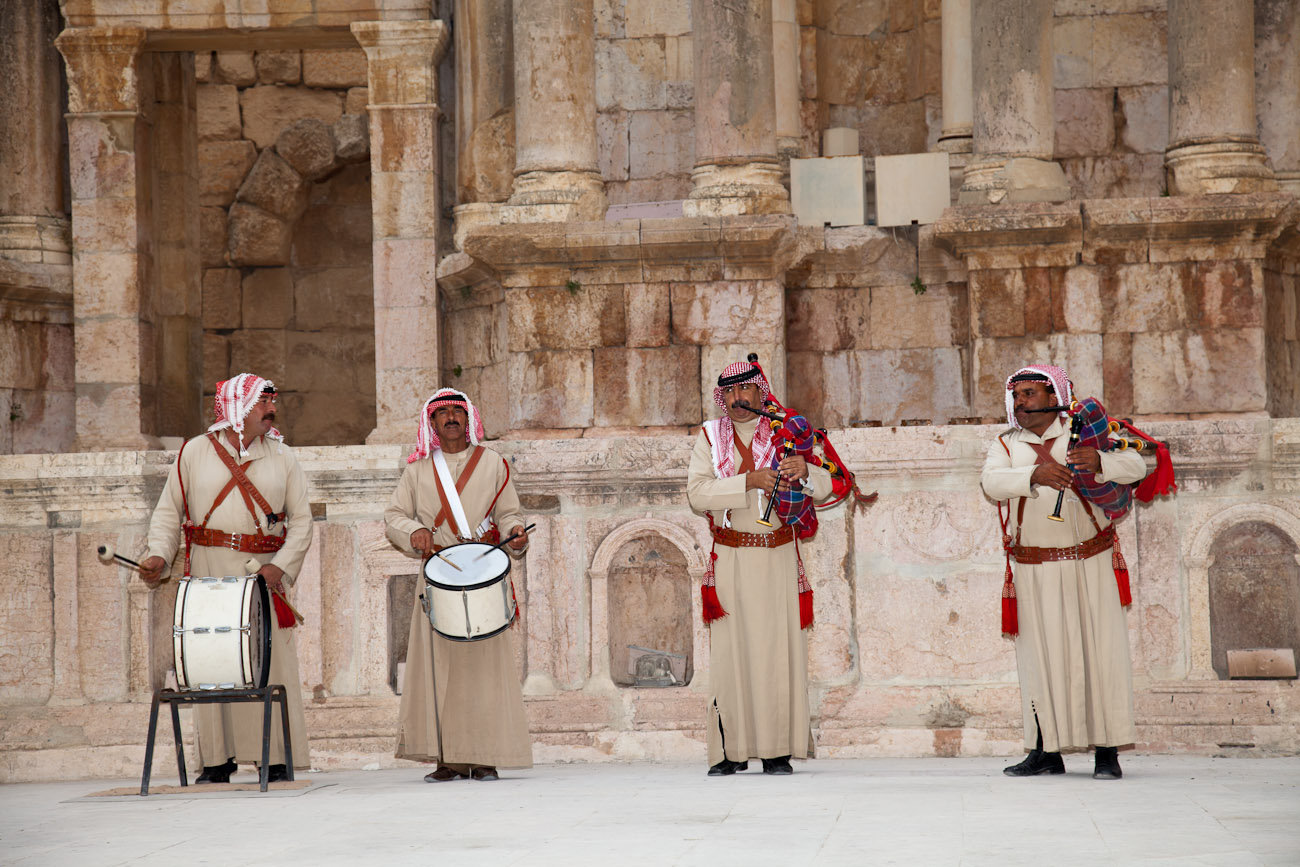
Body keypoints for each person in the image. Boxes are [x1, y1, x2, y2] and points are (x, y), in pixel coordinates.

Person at [139, 373, 312, 783]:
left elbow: (302, 522)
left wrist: (280, 566)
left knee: (268, 665)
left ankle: (274, 757)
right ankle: (217, 761)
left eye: (272, 402)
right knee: (212, 661)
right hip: (209, 572)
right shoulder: (195, 452)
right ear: (237, 408)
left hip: (262, 573)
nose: (272, 410)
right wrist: (159, 555)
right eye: (261, 403)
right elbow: (168, 513)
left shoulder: (283, 457)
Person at [980, 364, 1149, 781]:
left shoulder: (1090, 431)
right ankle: (1045, 751)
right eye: (1016, 396)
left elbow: (1137, 467)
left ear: (1054, 393)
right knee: (1039, 660)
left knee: (1100, 654)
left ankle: (1106, 754)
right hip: (1033, 567)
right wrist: (1032, 475)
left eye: (1030, 394)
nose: (1020, 402)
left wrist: (1100, 462)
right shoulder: (1006, 444)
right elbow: (991, 483)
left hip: (1089, 561)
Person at [686, 359, 833, 776]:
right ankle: (730, 752)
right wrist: (748, 482)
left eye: (744, 390)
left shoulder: (790, 432)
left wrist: (806, 469)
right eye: (728, 393)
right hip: (730, 556)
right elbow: (697, 495)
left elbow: (827, 485)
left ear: (760, 391)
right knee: (731, 656)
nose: (736, 399)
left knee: (774, 654)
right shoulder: (710, 438)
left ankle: (775, 751)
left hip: (777, 557)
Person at [384, 388, 532, 782]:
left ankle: (484, 756)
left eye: (457, 411)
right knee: (439, 667)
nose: (451, 418)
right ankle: (446, 759)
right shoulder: (417, 471)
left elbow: (510, 512)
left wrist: (516, 532)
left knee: (485, 668)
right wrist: (414, 530)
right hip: (440, 571)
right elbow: (394, 516)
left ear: (469, 419)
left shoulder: (493, 464)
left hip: (484, 570)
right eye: (442, 413)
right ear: (431, 423)